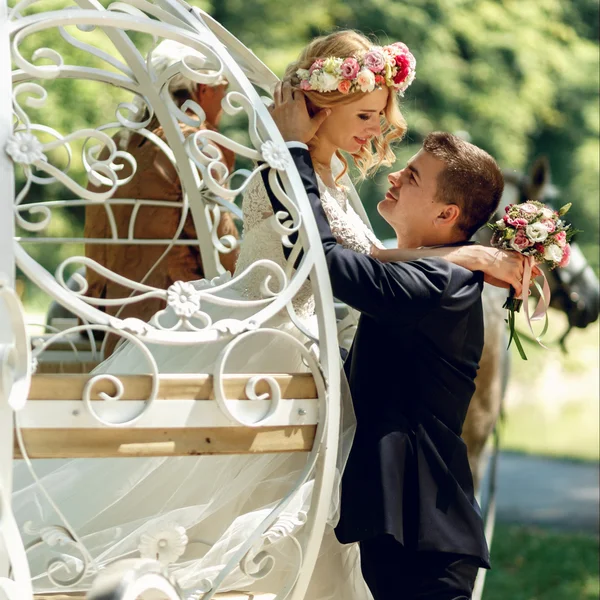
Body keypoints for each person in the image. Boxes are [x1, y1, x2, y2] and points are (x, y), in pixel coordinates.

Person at [14, 31, 523, 600]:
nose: (376, 130)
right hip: (272, 354)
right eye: (362, 112)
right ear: (315, 108)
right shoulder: (284, 178)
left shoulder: (328, 180)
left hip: (324, 367)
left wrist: (461, 253)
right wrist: (463, 253)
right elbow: (336, 264)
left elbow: (370, 263)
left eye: (381, 114)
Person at [268, 83, 509, 599]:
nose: (395, 174)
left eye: (414, 177)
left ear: (447, 215)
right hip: (408, 537)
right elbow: (371, 260)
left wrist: (291, 149)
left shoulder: (434, 286)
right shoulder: (440, 273)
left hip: (426, 548)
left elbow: (325, 259)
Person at [84, 39, 240, 357]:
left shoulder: (115, 144)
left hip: (114, 315)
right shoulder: (197, 144)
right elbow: (223, 243)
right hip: (179, 316)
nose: (225, 99)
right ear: (203, 88)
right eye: (223, 86)